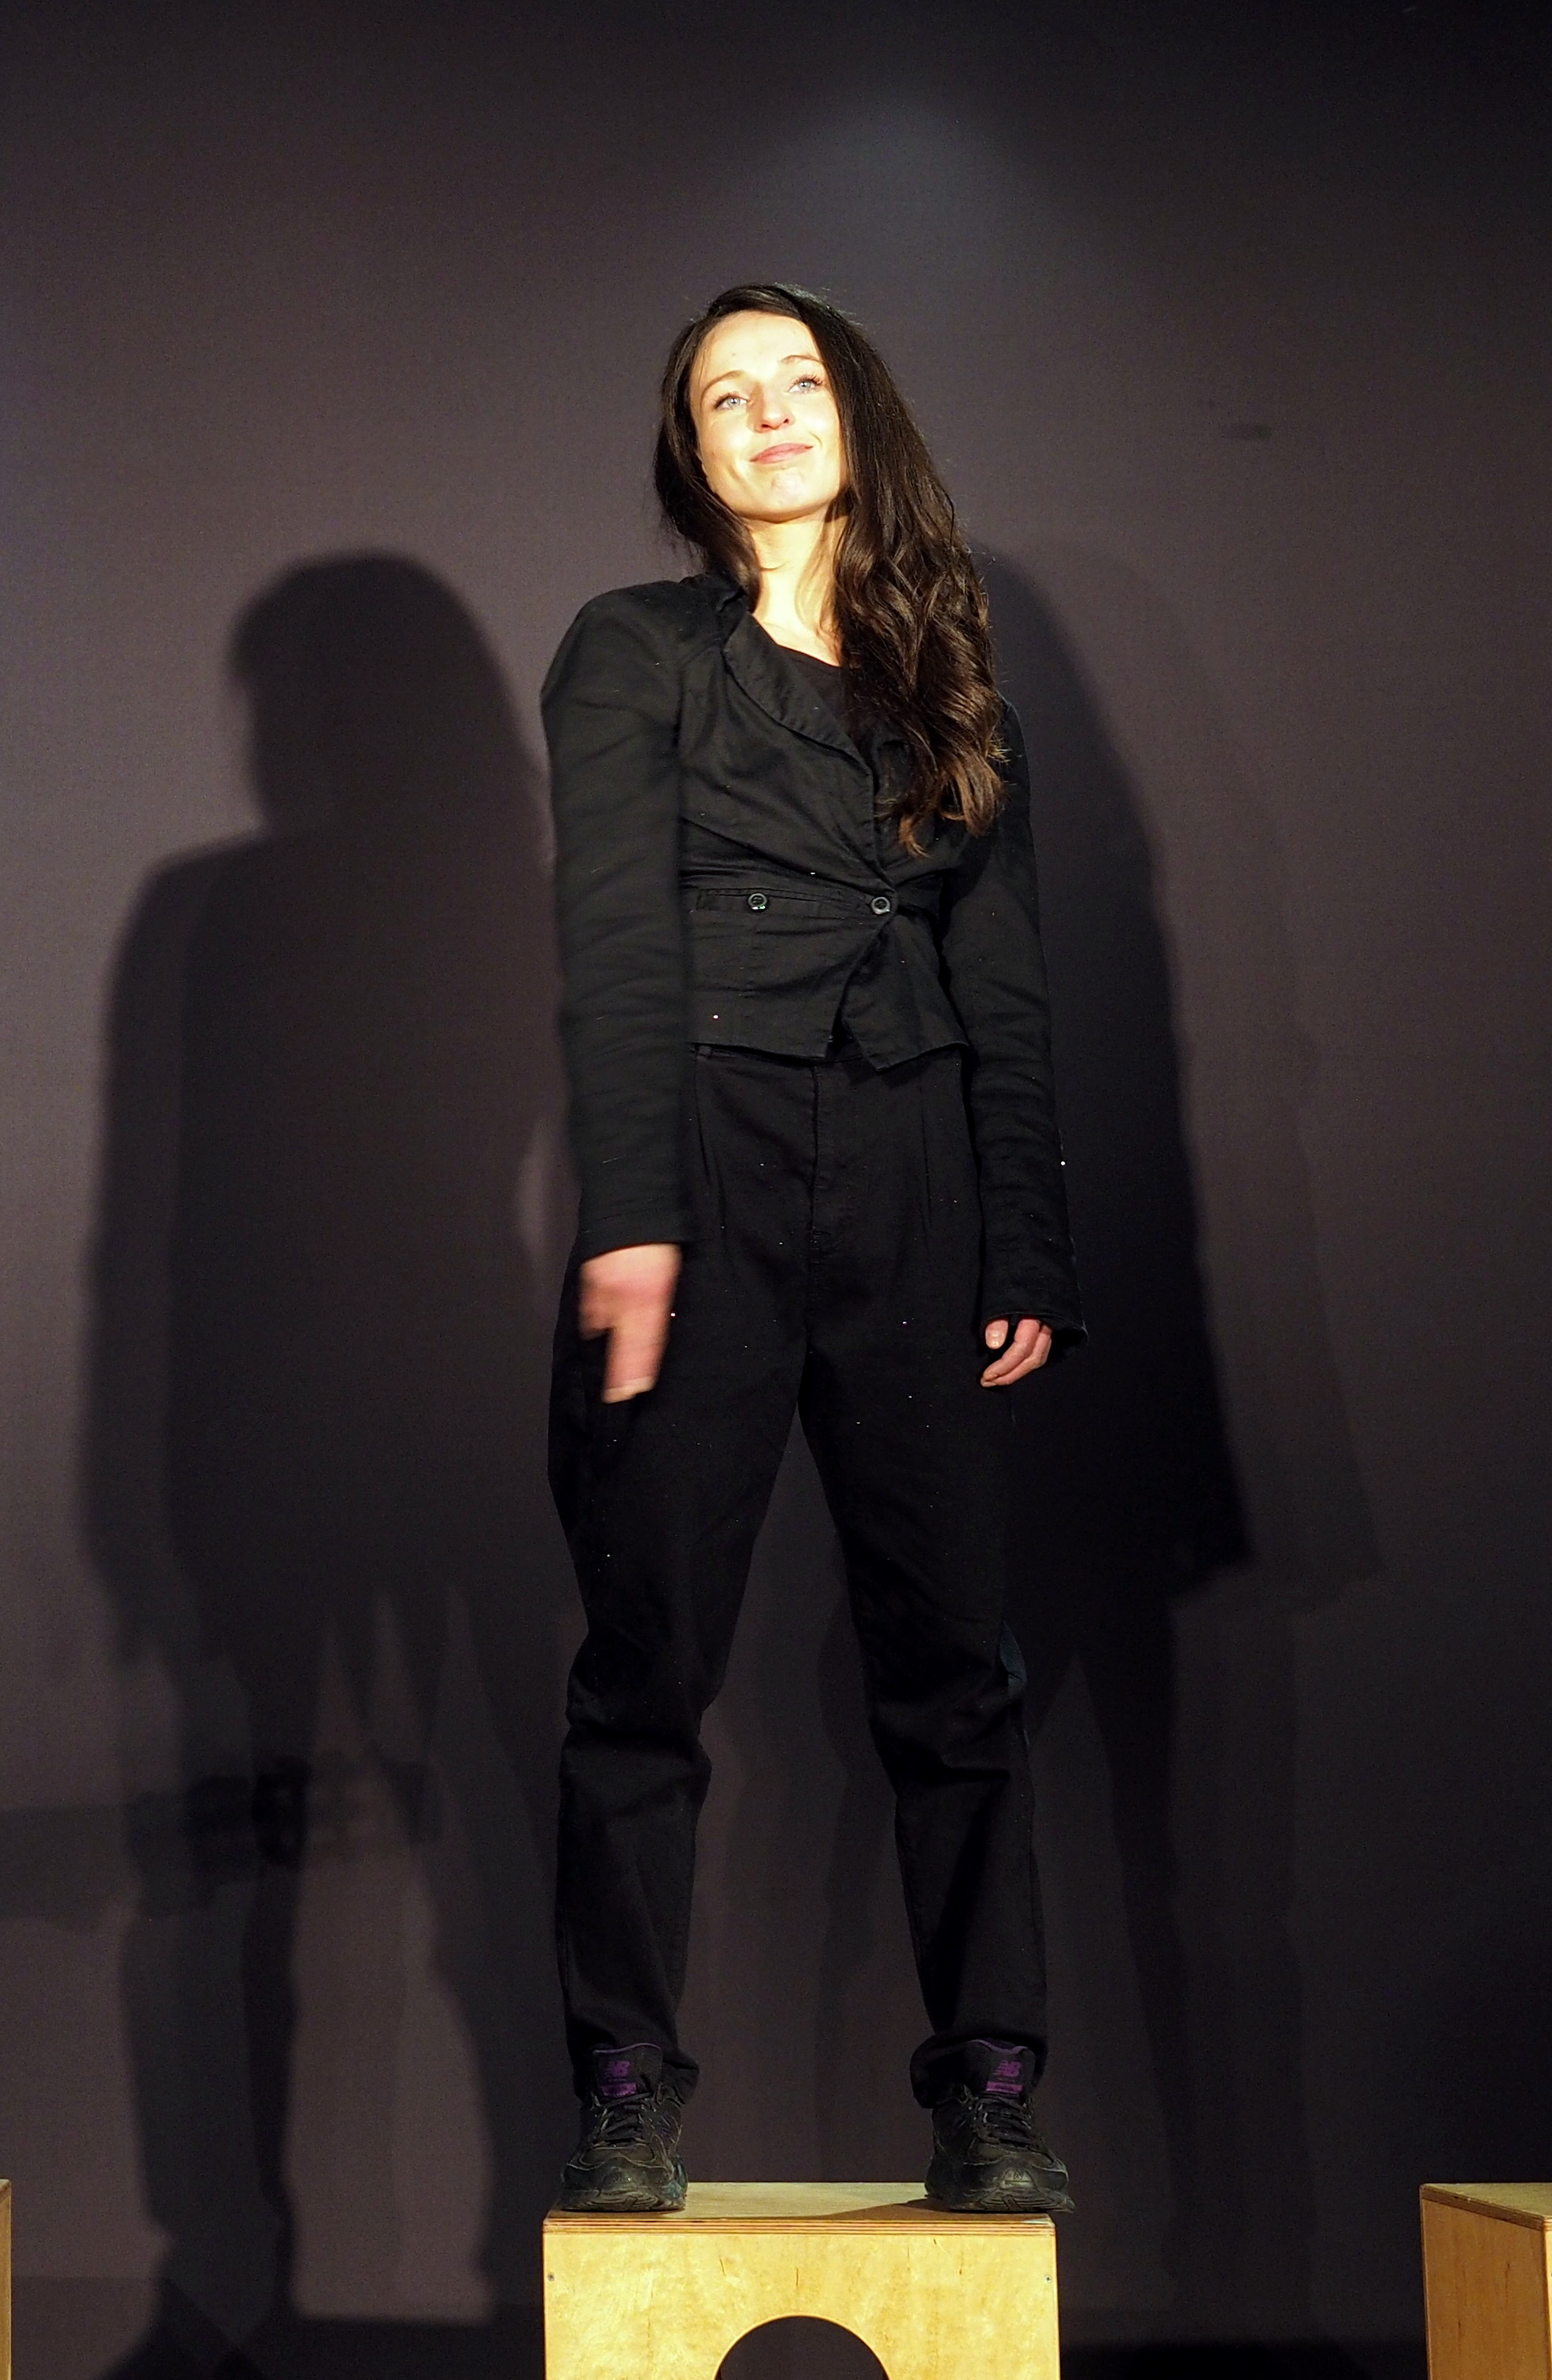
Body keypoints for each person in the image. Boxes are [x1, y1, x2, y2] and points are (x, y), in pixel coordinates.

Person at [539, 284, 1078, 2216]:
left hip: (911, 1176)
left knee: (955, 1668)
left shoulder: (955, 684)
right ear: (689, 454)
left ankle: (989, 2088)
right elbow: (613, 943)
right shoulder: (631, 650)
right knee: (644, 1665)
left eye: (795, 381)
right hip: (703, 1161)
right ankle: (623, 2087)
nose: (765, 413)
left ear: (855, 414)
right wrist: (631, 1221)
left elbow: (999, 981)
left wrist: (1021, 1240)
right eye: (722, 396)